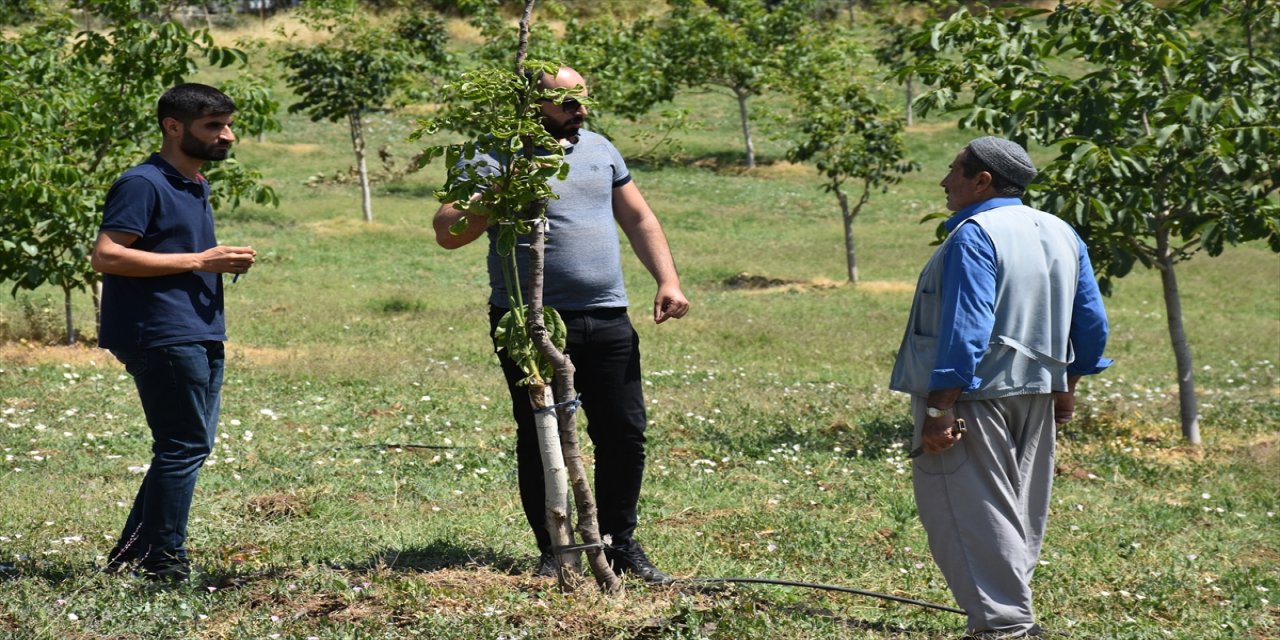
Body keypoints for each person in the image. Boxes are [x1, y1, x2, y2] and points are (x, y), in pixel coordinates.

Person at [433, 66, 689, 584]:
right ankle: (556, 548)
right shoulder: (491, 152)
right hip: (531, 321)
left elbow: (638, 218)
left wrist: (668, 279)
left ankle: (619, 542)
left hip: (608, 315)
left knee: (623, 433)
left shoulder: (600, 148)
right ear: (532, 104)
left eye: (583, 100)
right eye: (568, 102)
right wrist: (501, 187)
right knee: (540, 432)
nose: (581, 111)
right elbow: (447, 231)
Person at [889, 137, 1112, 638]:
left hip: (973, 399)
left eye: (953, 171)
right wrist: (1068, 384)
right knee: (1017, 512)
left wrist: (939, 409)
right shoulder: (1060, 231)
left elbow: (967, 328)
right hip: (1037, 393)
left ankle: (1004, 627)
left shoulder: (975, 234)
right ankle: (1011, 618)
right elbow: (1092, 323)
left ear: (982, 180)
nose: (945, 182)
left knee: (970, 514)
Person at [91, 83, 257, 582]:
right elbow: (108, 255)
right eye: (213, 126)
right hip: (159, 333)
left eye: (228, 125)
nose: (226, 135)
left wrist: (212, 261)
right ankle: (164, 562)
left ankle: (133, 555)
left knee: (188, 444)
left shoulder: (194, 181)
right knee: (183, 445)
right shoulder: (143, 183)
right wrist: (200, 260)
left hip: (199, 329)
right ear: (173, 126)